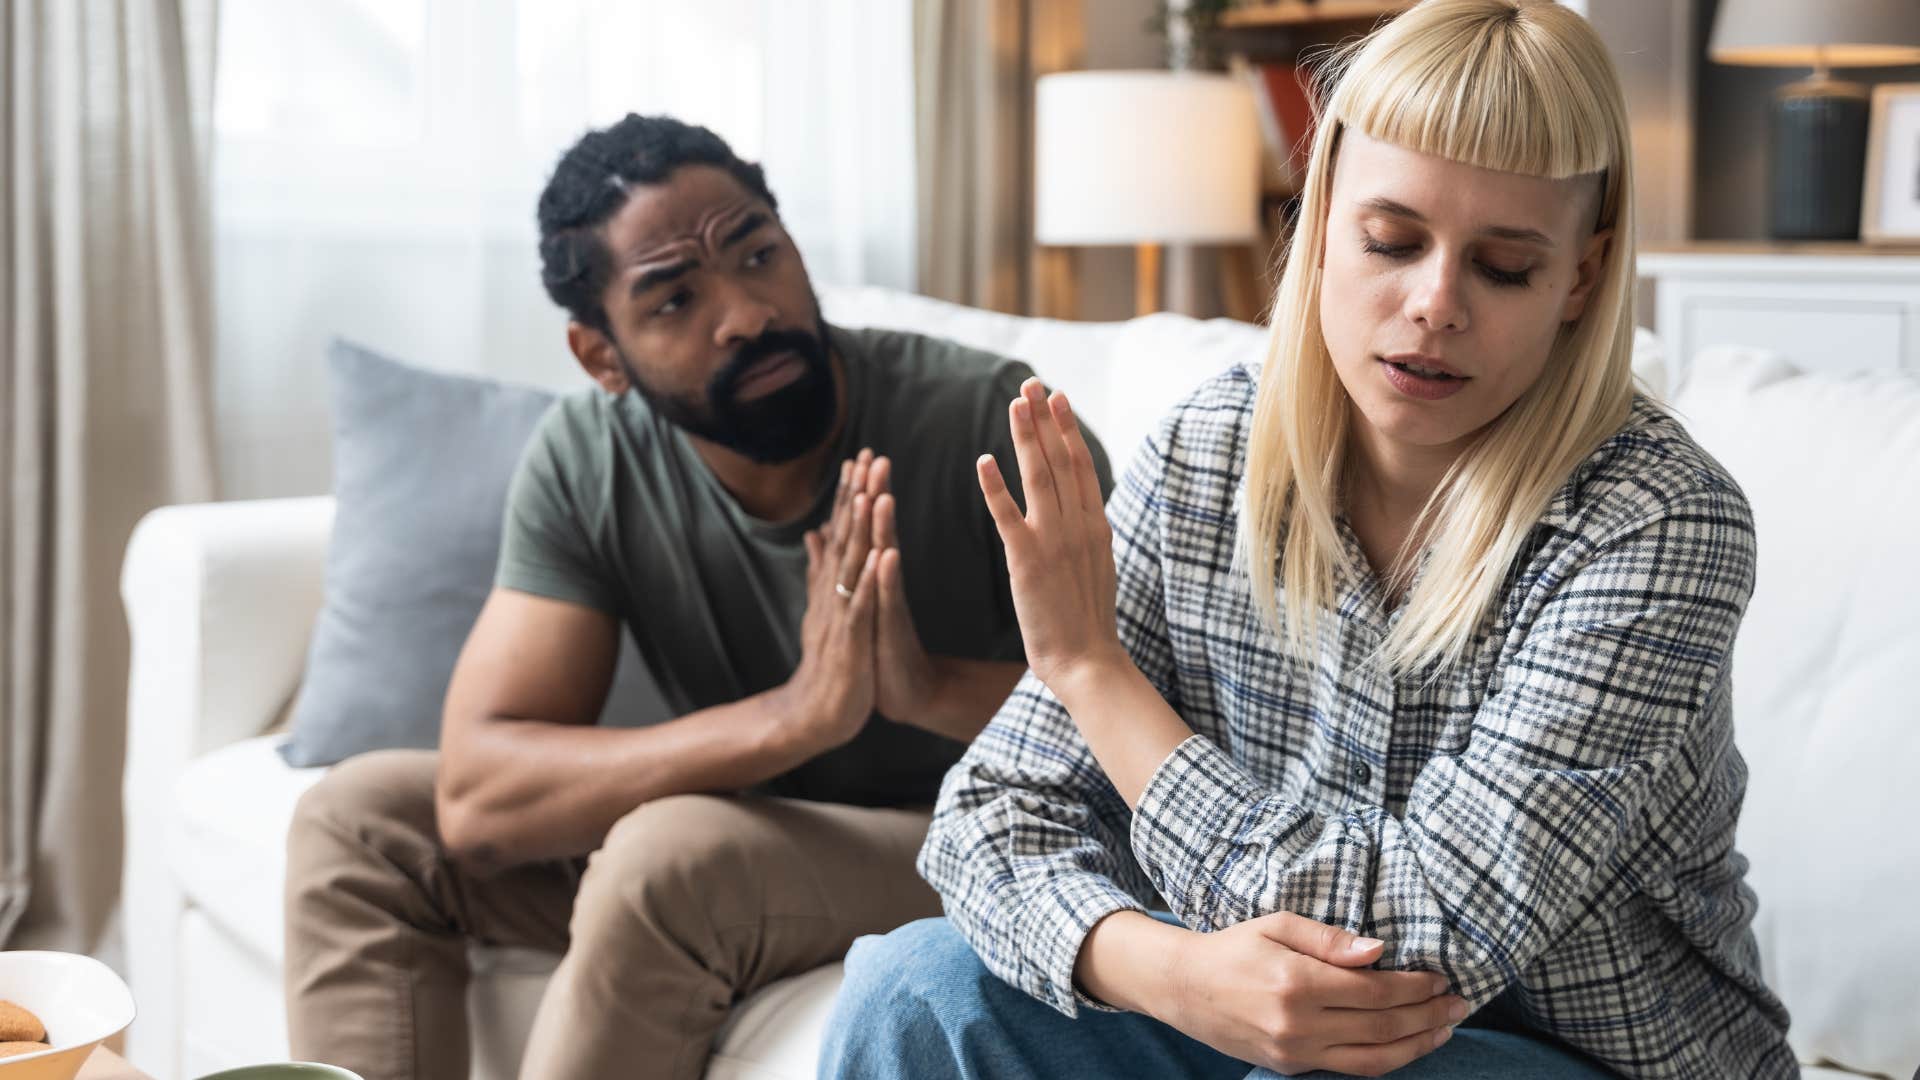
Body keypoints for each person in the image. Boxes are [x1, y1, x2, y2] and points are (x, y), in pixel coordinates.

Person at [821, 2, 1797, 1077]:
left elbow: (1422, 935)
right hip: (1252, 1019)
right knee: (913, 990)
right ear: (1322, 216)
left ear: (1581, 277)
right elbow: (990, 821)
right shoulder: (1210, 450)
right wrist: (1162, 970)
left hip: (1579, 1057)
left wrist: (1094, 674)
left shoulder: (1659, 524)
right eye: (1392, 240)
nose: (1433, 304)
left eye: (1505, 266)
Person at [281, 114, 1109, 1080]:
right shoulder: (593, 458)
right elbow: (477, 795)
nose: (746, 313)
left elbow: (1166, 719)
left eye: (758, 254)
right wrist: (791, 720)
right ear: (601, 357)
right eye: (675, 301)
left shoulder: (992, 420)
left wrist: (922, 688)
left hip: (979, 834)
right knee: (361, 823)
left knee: (669, 854)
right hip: (762, 828)